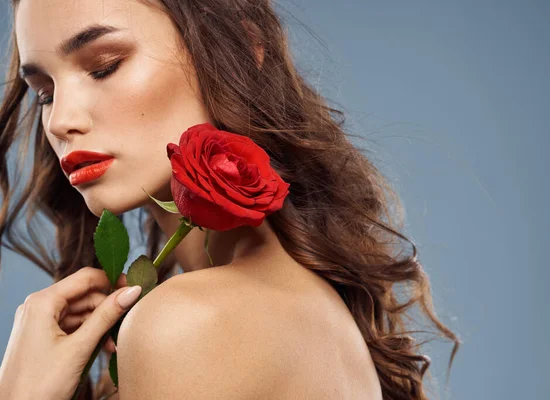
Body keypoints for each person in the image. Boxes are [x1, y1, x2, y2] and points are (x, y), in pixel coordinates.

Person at [0, 0, 460, 399]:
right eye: (44, 93)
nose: (60, 121)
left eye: (104, 65)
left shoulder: (191, 323)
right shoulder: (307, 302)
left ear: (237, 51)